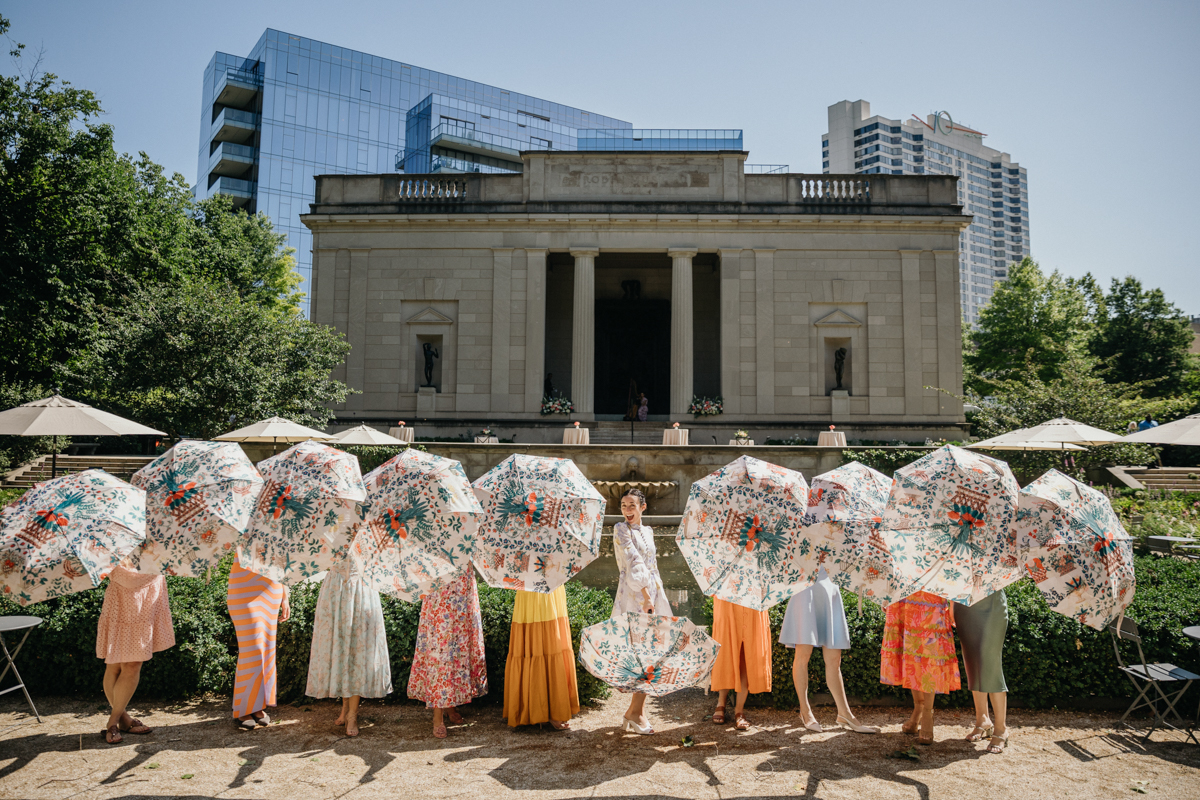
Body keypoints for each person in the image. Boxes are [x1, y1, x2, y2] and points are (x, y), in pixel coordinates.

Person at [306, 543, 392, 737]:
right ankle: (345, 708)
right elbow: (319, 557)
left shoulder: (369, 532)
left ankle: (352, 714)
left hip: (360, 589)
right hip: (334, 591)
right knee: (341, 649)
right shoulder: (332, 531)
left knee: (357, 651)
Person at [779, 567, 879, 734]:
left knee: (834, 659)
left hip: (829, 589)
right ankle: (805, 711)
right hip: (804, 588)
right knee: (803, 655)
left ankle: (844, 713)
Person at [612, 488, 672, 735]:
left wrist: (657, 597)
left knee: (652, 651)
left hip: (653, 593)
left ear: (642, 507)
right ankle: (635, 713)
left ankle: (636, 712)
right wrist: (646, 597)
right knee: (641, 652)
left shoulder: (648, 531)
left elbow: (652, 565)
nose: (627, 510)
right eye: (624, 505)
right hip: (634, 594)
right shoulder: (620, 529)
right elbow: (633, 562)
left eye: (632, 505)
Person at [96, 560, 175, 744]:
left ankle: (116, 720)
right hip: (120, 600)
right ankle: (119, 720)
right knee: (114, 665)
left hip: (148, 596)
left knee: (132, 664)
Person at [409, 564, 488, 738]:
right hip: (439, 577)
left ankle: (449, 704)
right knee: (440, 647)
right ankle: (437, 715)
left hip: (462, 581)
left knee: (458, 645)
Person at [880, 591, 959, 744]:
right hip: (902, 594)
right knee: (910, 652)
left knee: (930, 653)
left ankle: (928, 713)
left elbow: (951, 577)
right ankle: (918, 709)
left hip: (932, 595)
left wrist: (953, 604)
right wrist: (887, 595)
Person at [504, 585, 579, 729]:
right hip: (532, 585)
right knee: (548, 640)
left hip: (549, 585)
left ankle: (548, 711)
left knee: (551, 640)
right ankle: (541, 711)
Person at [227, 556, 289, 729]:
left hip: (271, 587)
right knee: (251, 649)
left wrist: (285, 596)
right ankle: (243, 708)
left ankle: (257, 706)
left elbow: (284, 559)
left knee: (266, 648)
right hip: (243, 584)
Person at [954, 590, 1010, 754]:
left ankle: (1001, 729)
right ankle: (982, 721)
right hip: (963, 604)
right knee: (972, 663)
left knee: (991, 665)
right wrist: (952, 605)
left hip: (992, 604)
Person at [711, 597, 772, 731]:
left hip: (753, 601)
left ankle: (739, 710)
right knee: (725, 653)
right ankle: (721, 703)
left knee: (747, 655)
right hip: (727, 600)